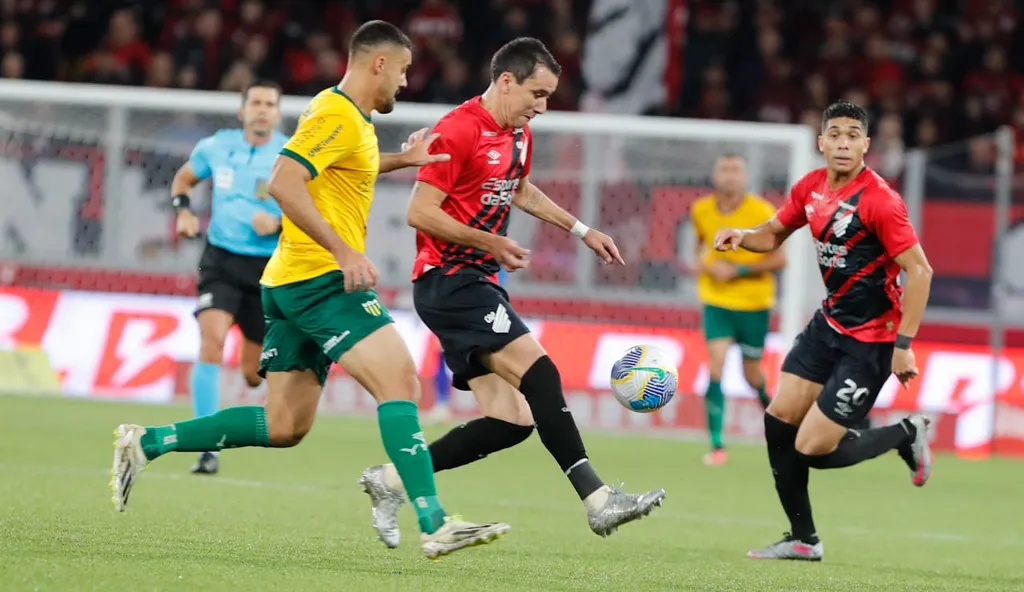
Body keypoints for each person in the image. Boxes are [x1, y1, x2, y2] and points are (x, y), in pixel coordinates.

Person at [111, 20, 509, 561]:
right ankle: (434, 521)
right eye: (405, 70)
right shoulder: (334, 114)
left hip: (289, 282)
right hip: (318, 279)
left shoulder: (354, 120)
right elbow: (283, 181)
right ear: (379, 64)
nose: (407, 83)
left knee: (284, 425)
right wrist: (344, 252)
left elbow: (345, 170)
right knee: (401, 382)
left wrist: (403, 161)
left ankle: (148, 442)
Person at [358, 37, 665, 551]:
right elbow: (420, 210)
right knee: (541, 374)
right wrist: (489, 240)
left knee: (511, 420)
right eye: (537, 94)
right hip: (449, 279)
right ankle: (597, 499)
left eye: (548, 97)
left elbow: (518, 188)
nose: (542, 107)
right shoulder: (458, 129)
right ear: (506, 81)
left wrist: (581, 229)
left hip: (475, 280)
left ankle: (390, 480)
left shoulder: (518, 133)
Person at [713, 101, 934, 562]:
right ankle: (803, 539)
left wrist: (904, 346)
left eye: (853, 135)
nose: (843, 143)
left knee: (812, 448)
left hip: (871, 342)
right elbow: (773, 233)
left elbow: (920, 270)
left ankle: (907, 433)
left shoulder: (880, 201)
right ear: (821, 142)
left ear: (866, 146)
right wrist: (742, 235)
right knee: (777, 423)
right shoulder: (810, 188)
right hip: (827, 326)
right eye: (835, 134)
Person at [171, 80, 287, 476]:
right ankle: (206, 446)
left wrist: (278, 222)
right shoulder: (215, 147)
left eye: (269, 104)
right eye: (255, 102)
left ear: (277, 113)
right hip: (219, 261)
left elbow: (315, 210)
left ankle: (249, 356)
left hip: (266, 269)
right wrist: (183, 211)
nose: (261, 109)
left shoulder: (289, 154)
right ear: (242, 111)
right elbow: (183, 180)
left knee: (254, 375)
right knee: (211, 344)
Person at [689, 153, 785, 466]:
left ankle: (779, 427)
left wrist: (738, 272)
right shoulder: (700, 209)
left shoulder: (761, 211)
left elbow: (780, 259)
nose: (729, 175)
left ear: (745, 178)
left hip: (754, 303)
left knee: (751, 374)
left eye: (736, 170)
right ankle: (717, 446)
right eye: (724, 169)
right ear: (715, 175)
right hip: (716, 301)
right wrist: (704, 267)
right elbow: (700, 247)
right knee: (715, 363)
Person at [423, 267, 509, 425]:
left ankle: (492, 407)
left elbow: (497, 276)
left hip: (481, 305)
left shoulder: (490, 252)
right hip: (451, 302)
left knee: (485, 357)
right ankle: (441, 404)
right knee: (442, 353)